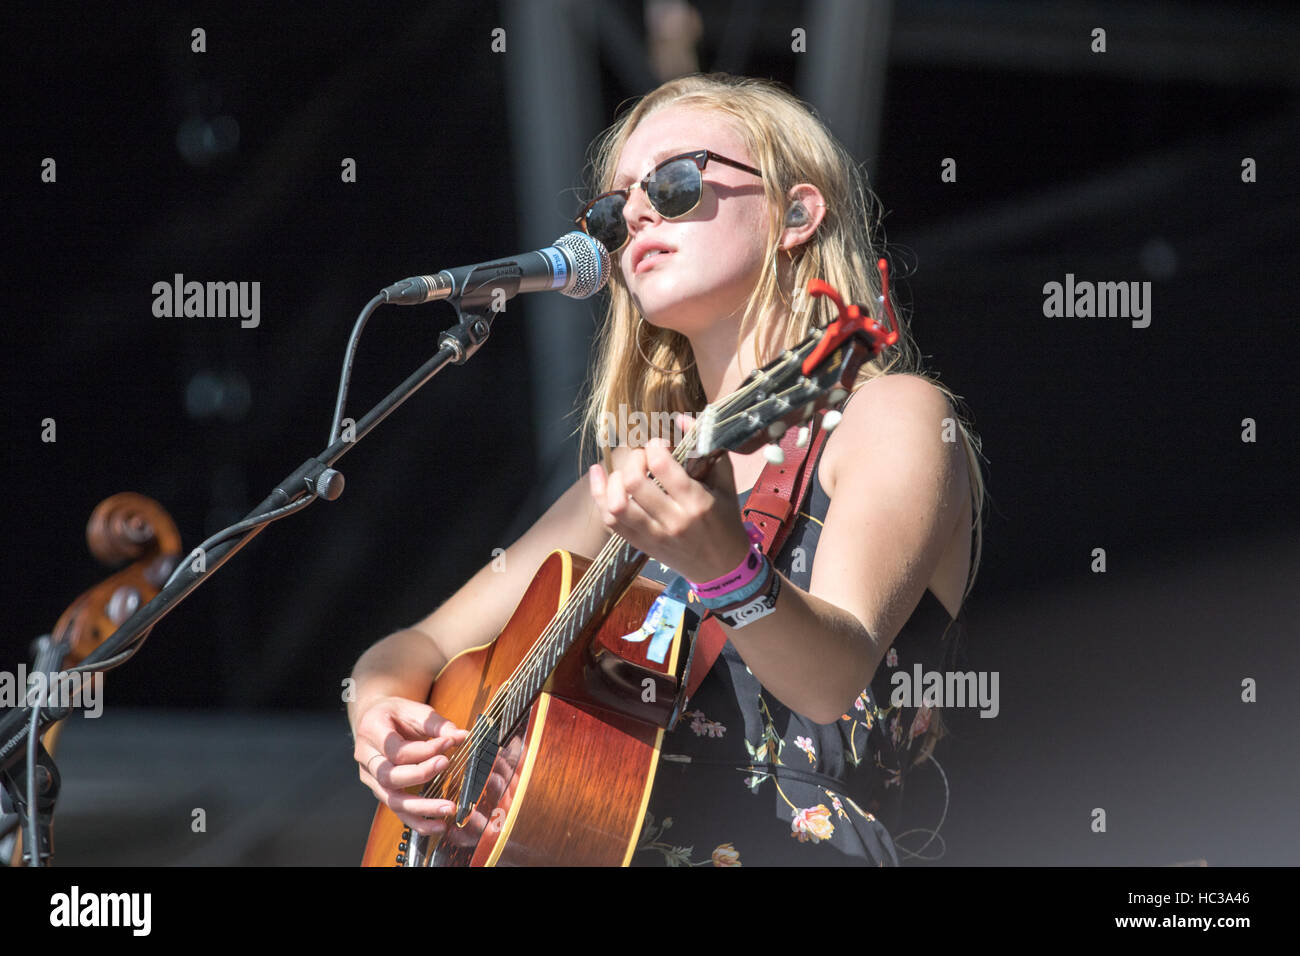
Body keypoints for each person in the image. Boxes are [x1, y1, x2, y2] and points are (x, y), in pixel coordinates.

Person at [347, 72, 985, 866]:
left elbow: (829, 680)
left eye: (677, 181)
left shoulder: (890, 417)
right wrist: (381, 723)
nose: (636, 215)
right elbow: (409, 649)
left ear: (796, 213)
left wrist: (725, 565)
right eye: (613, 211)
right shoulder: (626, 489)